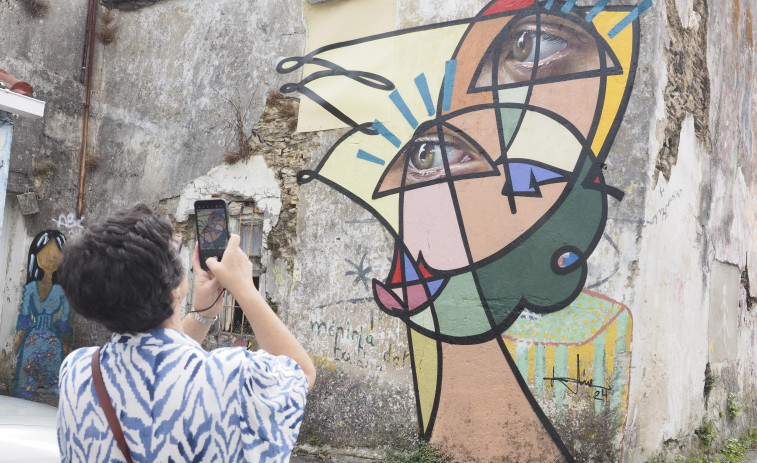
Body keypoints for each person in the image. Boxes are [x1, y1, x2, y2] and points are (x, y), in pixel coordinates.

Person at [56, 203, 316, 462]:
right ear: (173, 288)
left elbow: (163, 370)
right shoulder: (234, 376)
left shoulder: (78, 372)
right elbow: (302, 373)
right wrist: (243, 287)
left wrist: (202, 314)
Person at [14, 230, 72, 397]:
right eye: (44, 252)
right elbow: (24, 317)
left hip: (48, 343)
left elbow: (64, 320)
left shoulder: (61, 291)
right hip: (34, 342)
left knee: (50, 386)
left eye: (56, 254)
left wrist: (65, 342)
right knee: (27, 384)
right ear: (35, 255)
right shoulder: (30, 288)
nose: (50, 258)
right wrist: (20, 340)